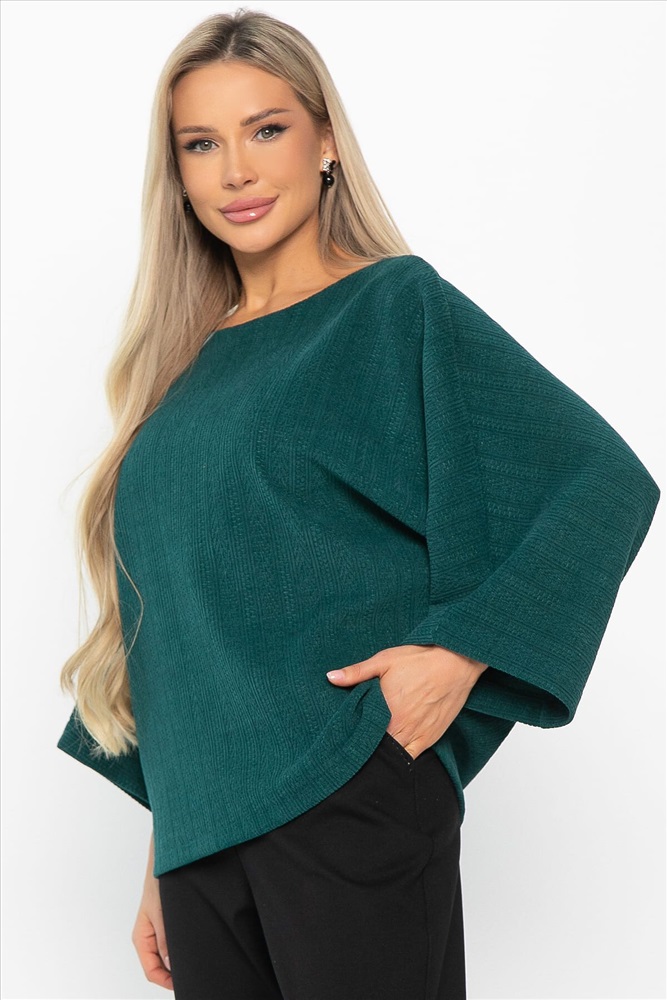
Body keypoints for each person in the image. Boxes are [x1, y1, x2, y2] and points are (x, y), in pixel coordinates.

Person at [55, 9, 661, 1000]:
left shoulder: (389, 307)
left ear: (325, 140)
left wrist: (459, 653)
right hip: (203, 842)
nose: (236, 171)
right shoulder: (183, 372)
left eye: (267, 129)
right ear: (178, 174)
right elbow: (188, 630)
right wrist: (169, 844)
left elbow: (600, 480)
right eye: (201, 144)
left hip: (345, 795)